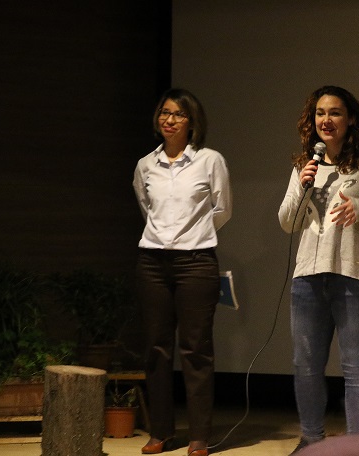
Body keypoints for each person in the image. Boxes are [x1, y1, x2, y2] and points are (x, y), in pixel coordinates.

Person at [278, 86, 359, 455]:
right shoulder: (306, 165)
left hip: (357, 276)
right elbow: (287, 223)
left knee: (357, 368)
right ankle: (310, 441)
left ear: (350, 120)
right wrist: (304, 187)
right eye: (320, 113)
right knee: (305, 365)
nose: (326, 120)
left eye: (334, 113)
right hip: (308, 277)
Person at [133, 88, 232, 456]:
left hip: (196, 262)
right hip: (152, 262)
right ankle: (161, 432)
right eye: (164, 112)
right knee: (156, 349)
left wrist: (194, 235)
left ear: (192, 122)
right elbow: (147, 208)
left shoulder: (210, 161)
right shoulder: (145, 165)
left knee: (196, 349)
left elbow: (222, 209)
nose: (169, 120)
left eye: (177, 114)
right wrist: (167, 236)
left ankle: (199, 436)